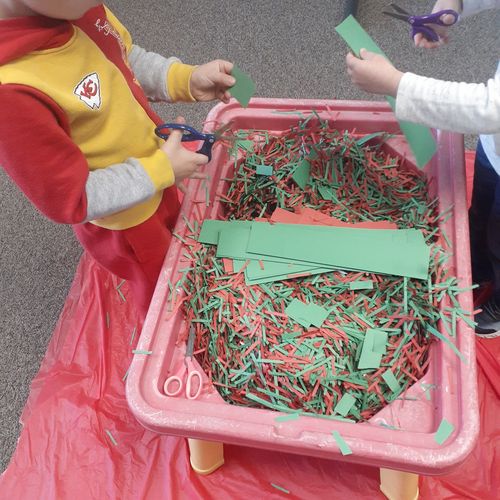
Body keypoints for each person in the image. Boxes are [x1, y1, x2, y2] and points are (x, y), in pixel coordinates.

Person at [0, 1, 236, 317]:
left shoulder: (73, 8)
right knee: (165, 289)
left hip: (153, 173)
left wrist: (184, 79)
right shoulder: (12, 92)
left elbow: (121, 58)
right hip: (128, 222)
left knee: (180, 241)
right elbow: (71, 199)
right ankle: (177, 335)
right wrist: (160, 169)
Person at [345, 0, 500, 338]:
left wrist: (397, 85)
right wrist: (455, 3)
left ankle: (498, 303)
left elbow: (492, 108)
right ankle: (476, 269)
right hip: (496, 144)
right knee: (482, 212)